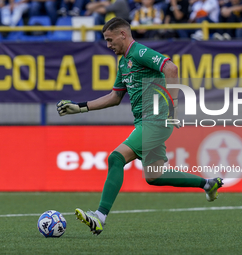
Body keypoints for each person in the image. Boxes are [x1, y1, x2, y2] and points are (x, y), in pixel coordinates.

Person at [56, 17, 223, 236]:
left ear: (122, 35)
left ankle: (100, 216)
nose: (108, 45)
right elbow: (115, 97)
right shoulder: (124, 62)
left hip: (156, 119)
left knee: (115, 158)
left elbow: (171, 68)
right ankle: (208, 184)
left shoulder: (139, 52)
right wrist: (80, 107)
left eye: (109, 39)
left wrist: (172, 111)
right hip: (145, 122)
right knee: (154, 176)